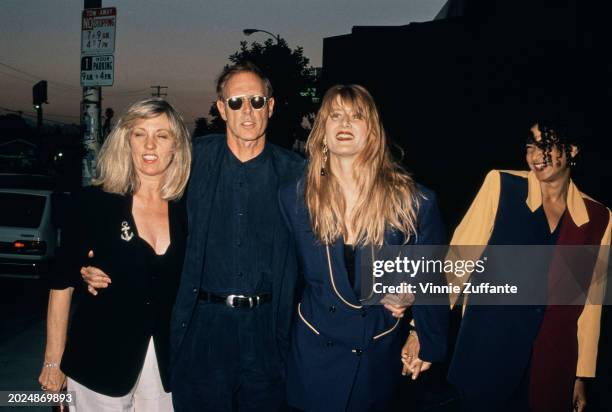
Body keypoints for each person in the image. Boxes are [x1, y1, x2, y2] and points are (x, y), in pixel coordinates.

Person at [278, 84, 449, 411]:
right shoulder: (295, 198)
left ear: (372, 131)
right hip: (313, 356)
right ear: (322, 132)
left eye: (356, 116)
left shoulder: (413, 201)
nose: (344, 123)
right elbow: (283, 273)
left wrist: (424, 333)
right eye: (335, 115)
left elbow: (430, 277)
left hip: (376, 357)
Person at [38, 98, 192, 411]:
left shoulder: (188, 208)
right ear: (126, 141)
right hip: (97, 359)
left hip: (166, 365)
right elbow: (61, 283)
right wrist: (53, 363)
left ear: (176, 146)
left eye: (162, 136)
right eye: (140, 134)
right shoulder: (94, 203)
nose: (150, 145)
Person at [447, 120, 611, 412]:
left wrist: (581, 376)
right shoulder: (502, 185)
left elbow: (590, 304)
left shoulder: (598, 218)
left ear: (571, 150)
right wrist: (420, 328)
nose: (536, 155)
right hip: (487, 353)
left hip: (551, 366)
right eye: (530, 146)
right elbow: (457, 262)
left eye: (546, 145)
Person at [169, 62, 305, 411]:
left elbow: (342, 235)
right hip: (204, 330)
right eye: (236, 102)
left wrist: (394, 283)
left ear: (270, 107)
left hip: (268, 331)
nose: (247, 111)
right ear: (221, 109)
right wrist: (98, 258)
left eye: (257, 101)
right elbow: (141, 203)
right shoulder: (192, 161)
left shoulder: (297, 175)